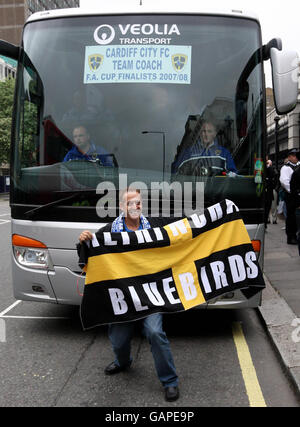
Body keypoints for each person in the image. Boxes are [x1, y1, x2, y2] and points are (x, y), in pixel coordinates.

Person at [78, 189, 179, 402]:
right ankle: (123, 362)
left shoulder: (155, 225)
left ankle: (170, 381)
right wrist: (84, 241)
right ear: (122, 207)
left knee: (154, 332)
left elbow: (182, 229)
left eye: (139, 204)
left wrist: (205, 221)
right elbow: (90, 250)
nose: (135, 207)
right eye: (130, 204)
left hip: (150, 296)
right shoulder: (109, 232)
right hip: (123, 298)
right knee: (118, 340)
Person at [171, 119, 237, 175]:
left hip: (216, 190)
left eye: (209, 131)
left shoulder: (224, 153)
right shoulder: (188, 153)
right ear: (200, 133)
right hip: (193, 190)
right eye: (203, 131)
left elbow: (232, 176)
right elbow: (175, 174)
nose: (206, 134)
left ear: (214, 134)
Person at [279, 149, 300, 244]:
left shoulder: (298, 166)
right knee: (291, 217)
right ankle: (291, 237)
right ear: (289, 157)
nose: (296, 157)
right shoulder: (286, 168)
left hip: (297, 195)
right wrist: (293, 191)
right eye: (294, 155)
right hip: (291, 195)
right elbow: (284, 182)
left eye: (296, 155)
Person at [265, 158, 277, 228]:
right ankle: (267, 220)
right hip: (266, 191)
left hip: (271, 190)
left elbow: (274, 176)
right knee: (267, 207)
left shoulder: (272, 169)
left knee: (272, 206)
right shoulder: (263, 168)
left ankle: (273, 219)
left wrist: (276, 188)